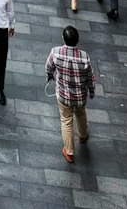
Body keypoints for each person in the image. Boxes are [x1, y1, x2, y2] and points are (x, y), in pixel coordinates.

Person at [46, 25, 96, 164]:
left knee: (66, 121)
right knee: (80, 114)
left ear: (63, 38)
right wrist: (91, 91)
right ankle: (83, 135)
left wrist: (50, 76)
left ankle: (69, 152)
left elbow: (48, 67)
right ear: (78, 40)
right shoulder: (85, 57)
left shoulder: (56, 53)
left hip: (63, 95)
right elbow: (90, 78)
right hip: (80, 97)